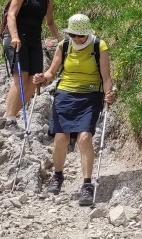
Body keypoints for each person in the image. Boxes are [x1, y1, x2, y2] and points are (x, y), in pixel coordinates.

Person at [34, 12, 114, 207]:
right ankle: (57, 176)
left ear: (88, 33)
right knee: (61, 138)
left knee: (84, 138)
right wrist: (42, 78)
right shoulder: (64, 45)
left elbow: (106, 77)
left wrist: (109, 93)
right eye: (73, 35)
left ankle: (87, 185)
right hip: (65, 94)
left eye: (81, 35)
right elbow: (52, 72)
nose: (77, 38)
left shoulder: (99, 46)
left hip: (90, 95)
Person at [1, 0, 60, 126]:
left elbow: (50, 22)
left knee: (34, 81)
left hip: (34, 40)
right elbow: (11, 14)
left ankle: (10, 115)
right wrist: (14, 36)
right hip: (16, 37)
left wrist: (60, 39)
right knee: (21, 76)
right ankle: (10, 118)